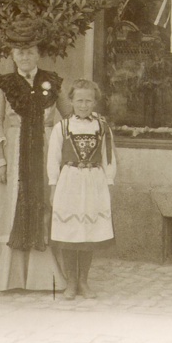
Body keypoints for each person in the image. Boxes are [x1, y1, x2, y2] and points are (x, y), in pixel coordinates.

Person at [0, 17, 68, 291]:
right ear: (12, 54)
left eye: (30, 52)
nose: (25, 57)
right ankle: (11, 277)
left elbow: (68, 118)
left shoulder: (52, 82)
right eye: (20, 52)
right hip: (15, 150)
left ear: (38, 54)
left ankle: (43, 277)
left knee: (42, 203)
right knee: (13, 207)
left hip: (44, 151)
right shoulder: (4, 85)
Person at [47, 79, 117, 300]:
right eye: (79, 100)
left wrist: (108, 182)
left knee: (88, 233)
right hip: (70, 182)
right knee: (70, 232)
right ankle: (71, 283)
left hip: (94, 182)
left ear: (95, 102)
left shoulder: (102, 127)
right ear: (71, 101)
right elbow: (53, 158)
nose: (84, 105)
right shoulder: (63, 127)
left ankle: (84, 282)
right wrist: (53, 185)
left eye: (88, 100)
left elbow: (109, 157)